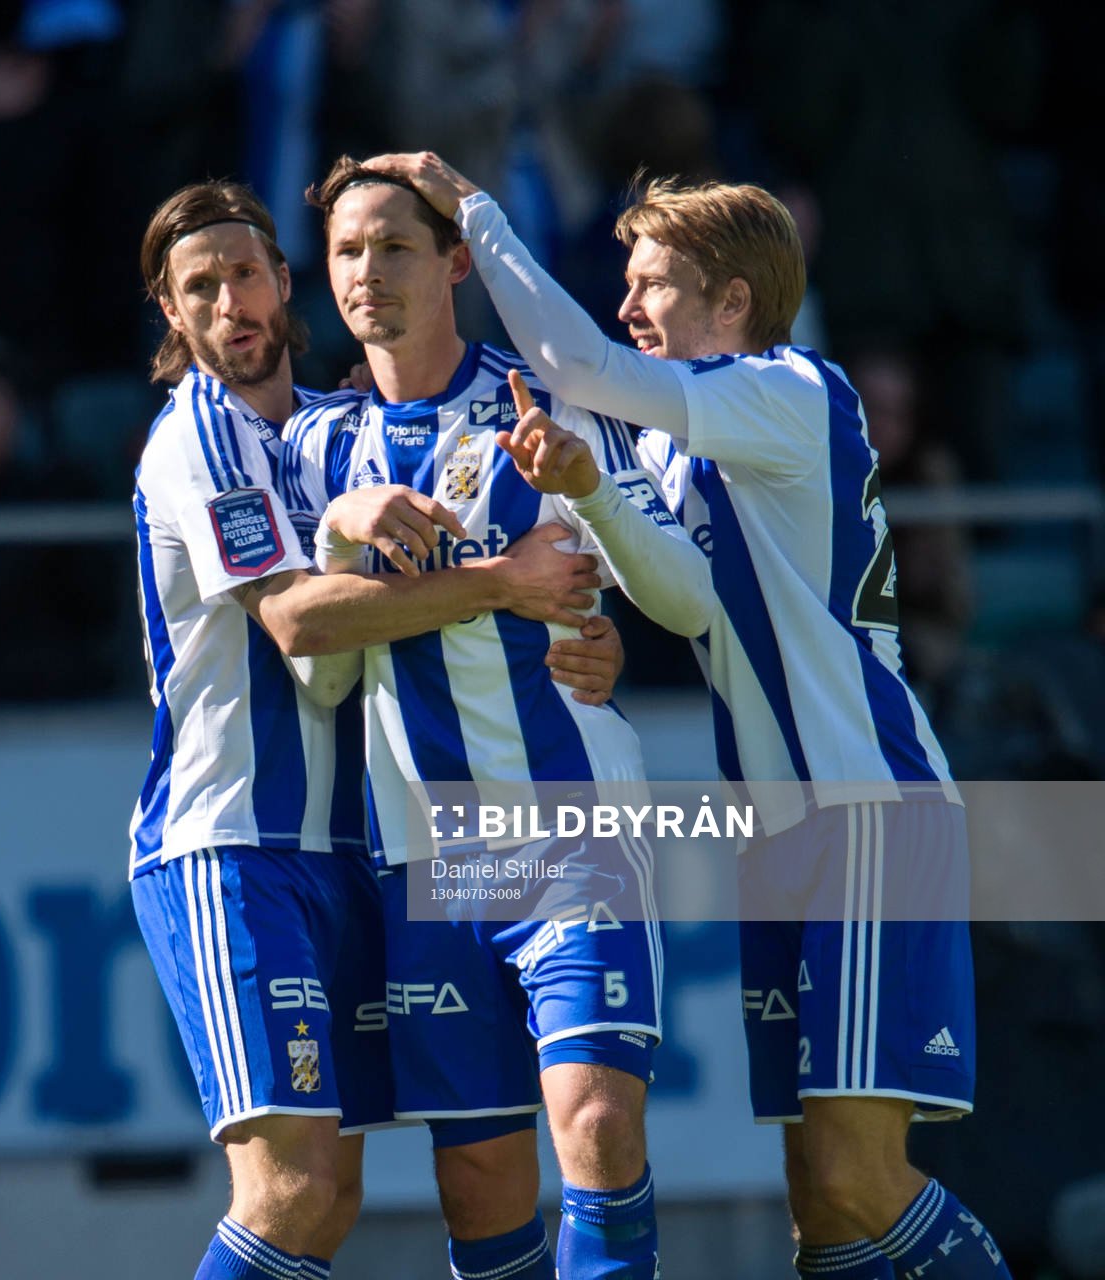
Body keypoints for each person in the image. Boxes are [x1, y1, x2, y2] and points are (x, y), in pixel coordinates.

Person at [368, 149, 1011, 1280]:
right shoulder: (679, 444)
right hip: (784, 833)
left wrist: (471, 206)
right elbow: (683, 600)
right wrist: (584, 486)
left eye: (652, 282)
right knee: (819, 1198)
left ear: (732, 301)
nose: (628, 304)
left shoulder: (792, 389)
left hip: (865, 806)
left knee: (861, 1175)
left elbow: (574, 358)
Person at [132, 179, 626, 1280]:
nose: (229, 303)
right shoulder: (200, 437)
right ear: (170, 315)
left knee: (353, 1187)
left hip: (360, 851)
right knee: (294, 1187)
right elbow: (303, 621)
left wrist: (588, 638)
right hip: (234, 847)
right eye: (197, 287)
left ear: (283, 282)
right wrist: (504, 583)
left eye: (245, 273)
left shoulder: (322, 431)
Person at [282, 156, 717, 1280]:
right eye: (345, 250)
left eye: (393, 246)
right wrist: (341, 531)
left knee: (599, 1128)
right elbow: (317, 673)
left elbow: (657, 574)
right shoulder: (319, 449)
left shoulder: (541, 401)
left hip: (575, 827)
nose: (366, 272)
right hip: (429, 860)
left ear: (456, 260)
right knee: (480, 1189)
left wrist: (606, 617)